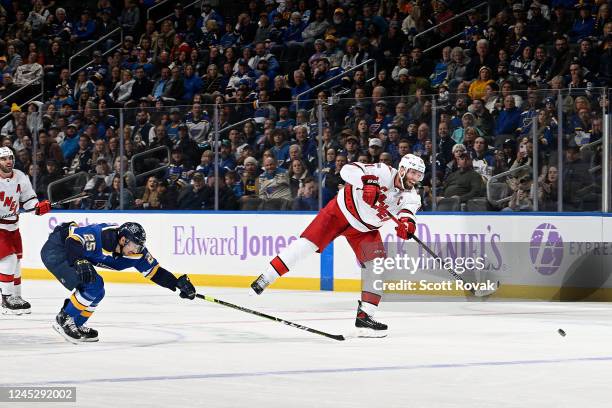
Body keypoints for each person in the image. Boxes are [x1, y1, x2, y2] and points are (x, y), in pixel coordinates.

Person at [250, 154, 425, 337]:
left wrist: (408, 226)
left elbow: (408, 214)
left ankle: (365, 316)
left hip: (365, 230)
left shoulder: (412, 197)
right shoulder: (383, 171)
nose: (415, 178)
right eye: (413, 173)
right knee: (306, 245)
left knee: (378, 266)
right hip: (339, 212)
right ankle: (265, 279)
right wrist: (368, 182)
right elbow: (347, 170)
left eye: (419, 175)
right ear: (403, 169)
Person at [40, 222, 196, 343]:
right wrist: (79, 260)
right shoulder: (100, 236)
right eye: (134, 245)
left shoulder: (137, 254)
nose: (137, 250)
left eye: (139, 246)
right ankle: (65, 317)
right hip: (58, 250)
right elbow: (73, 241)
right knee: (94, 285)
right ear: (122, 240)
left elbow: (155, 272)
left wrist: (176, 283)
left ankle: (77, 323)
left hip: (73, 254)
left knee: (99, 291)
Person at [0, 147, 51, 314]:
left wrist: (37, 207)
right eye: (4, 159)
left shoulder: (20, 176)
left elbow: (28, 200)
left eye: (10, 158)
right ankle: (6, 300)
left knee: (16, 263)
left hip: (13, 227)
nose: (8, 161)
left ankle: (16, 296)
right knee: (9, 259)